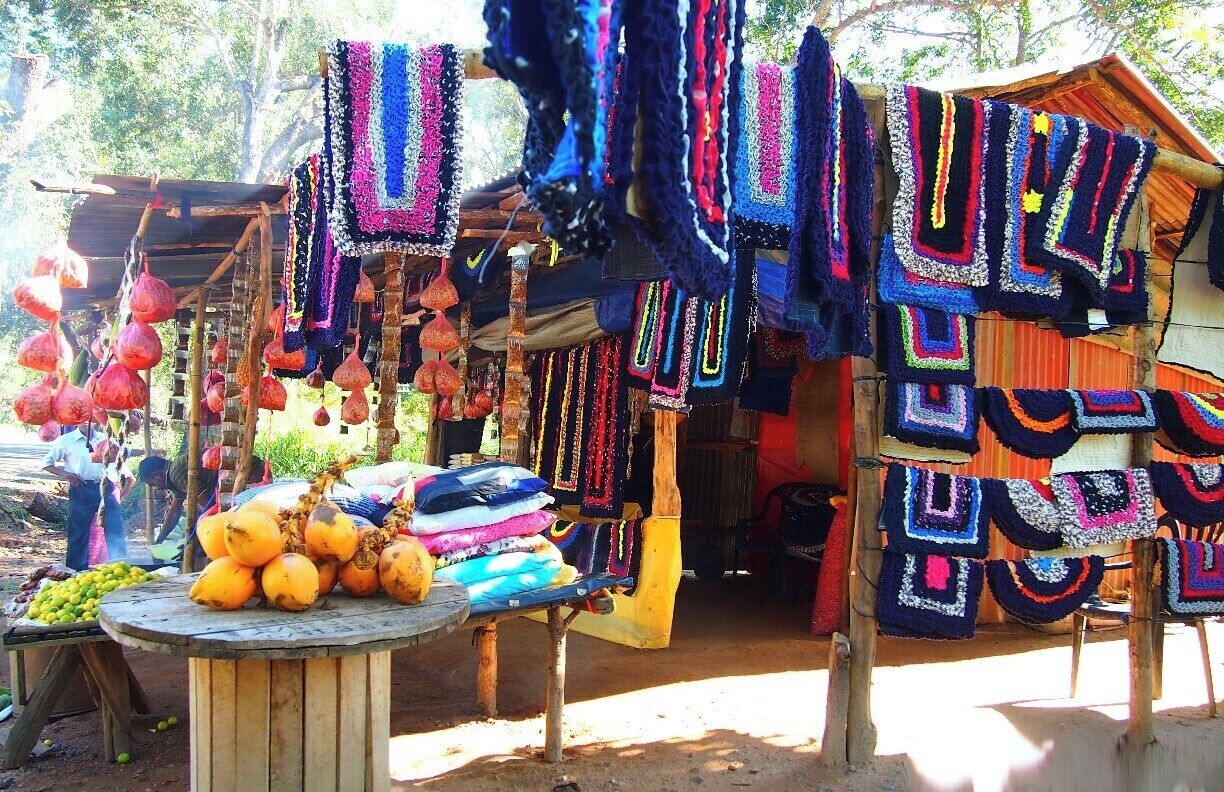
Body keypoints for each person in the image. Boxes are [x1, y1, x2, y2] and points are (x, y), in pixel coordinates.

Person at [43, 423, 132, 570]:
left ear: (95, 421)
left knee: (115, 526)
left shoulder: (105, 438)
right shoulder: (66, 440)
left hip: (105, 485)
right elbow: (46, 463)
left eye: (88, 419)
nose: (85, 422)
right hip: (81, 487)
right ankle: (75, 571)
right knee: (79, 531)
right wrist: (67, 475)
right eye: (82, 419)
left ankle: (120, 566)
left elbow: (124, 452)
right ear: (76, 421)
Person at [138, 451, 271, 543]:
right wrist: (159, 541)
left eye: (152, 484)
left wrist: (195, 541)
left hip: (250, 473)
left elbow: (210, 507)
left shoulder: (176, 474)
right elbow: (175, 512)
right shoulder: (175, 476)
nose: (157, 488)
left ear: (158, 475)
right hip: (251, 470)